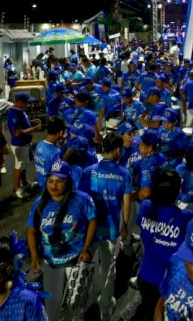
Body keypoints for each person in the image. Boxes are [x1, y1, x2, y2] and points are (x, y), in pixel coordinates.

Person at [26, 160, 97, 321]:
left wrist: (86, 248)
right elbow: (31, 231)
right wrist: (35, 257)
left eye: (59, 181)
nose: (54, 186)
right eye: (50, 181)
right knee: (52, 307)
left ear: (69, 181)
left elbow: (93, 220)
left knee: (77, 306)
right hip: (52, 263)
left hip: (76, 262)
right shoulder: (39, 204)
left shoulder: (82, 199)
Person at [79, 133, 132, 319]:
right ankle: (105, 306)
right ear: (118, 151)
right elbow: (126, 205)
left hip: (89, 229)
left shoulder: (88, 172)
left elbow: (80, 202)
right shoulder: (124, 174)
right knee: (109, 268)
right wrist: (124, 226)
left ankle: (85, 301)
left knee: (87, 265)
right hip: (111, 227)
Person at [135, 167, 193, 320]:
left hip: (146, 274)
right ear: (176, 191)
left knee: (148, 309)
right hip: (170, 280)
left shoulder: (145, 207)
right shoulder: (186, 217)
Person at [8, 92, 42, 199]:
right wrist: (34, 128)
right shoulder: (15, 113)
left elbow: (22, 123)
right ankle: (17, 188)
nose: (28, 104)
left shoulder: (19, 111)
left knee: (23, 166)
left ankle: (25, 182)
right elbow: (17, 133)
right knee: (19, 167)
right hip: (20, 145)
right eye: (27, 102)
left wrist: (30, 121)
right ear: (21, 102)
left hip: (24, 144)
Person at [33, 117, 66, 189]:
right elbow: (58, 173)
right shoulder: (56, 152)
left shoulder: (39, 144)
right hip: (51, 187)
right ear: (60, 132)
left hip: (41, 182)